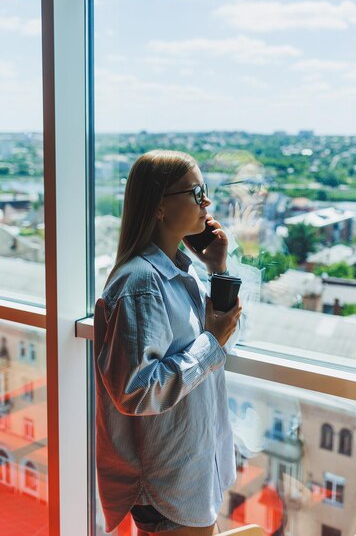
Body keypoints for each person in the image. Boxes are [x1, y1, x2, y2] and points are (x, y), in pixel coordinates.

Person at [94, 150, 242, 536]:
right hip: (166, 485)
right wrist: (210, 343)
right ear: (160, 206)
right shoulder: (140, 283)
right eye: (196, 192)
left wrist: (218, 270)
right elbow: (136, 391)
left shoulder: (182, 271)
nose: (206, 202)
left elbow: (222, 337)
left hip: (187, 471)